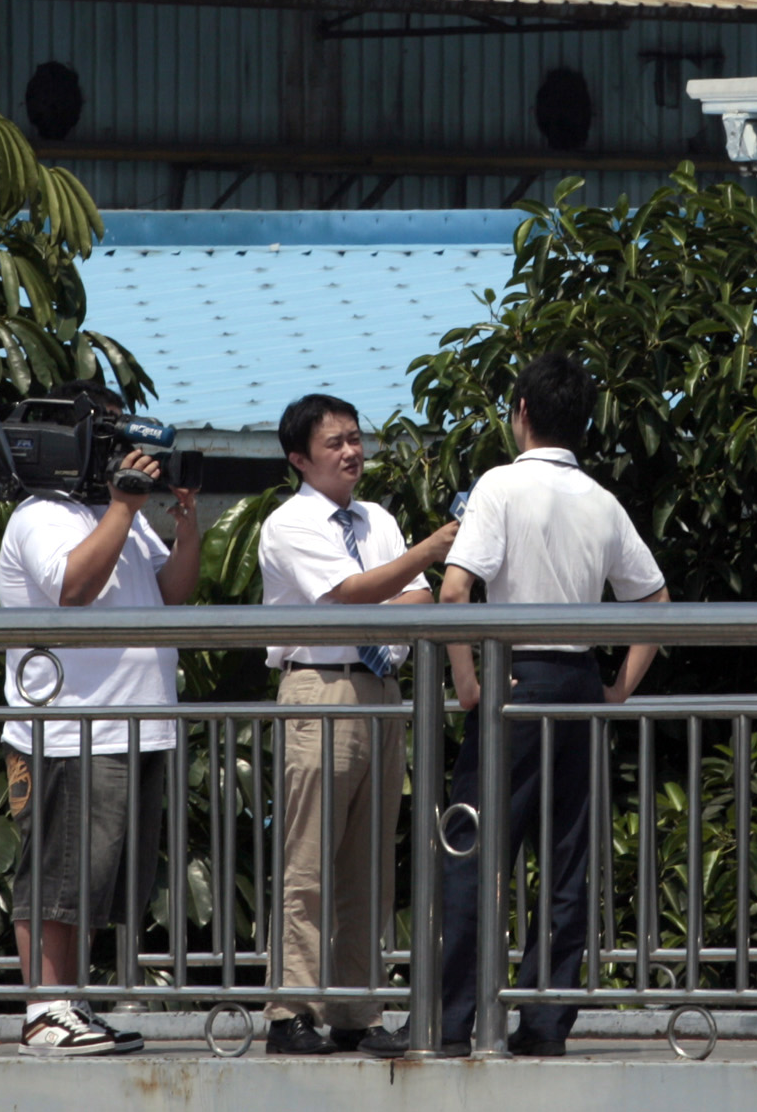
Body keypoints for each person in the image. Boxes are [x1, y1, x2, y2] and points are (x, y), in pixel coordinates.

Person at [433, 354, 668, 1057]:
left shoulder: (500, 485)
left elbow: (453, 592)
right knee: (568, 863)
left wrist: (469, 684)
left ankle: (453, 1025)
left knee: (475, 852)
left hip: (514, 681)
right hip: (578, 686)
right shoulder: (601, 498)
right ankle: (544, 1024)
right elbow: (653, 603)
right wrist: (618, 688)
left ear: (523, 412)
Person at [0, 387, 202, 1058]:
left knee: (91, 881)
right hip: (69, 729)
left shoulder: (123, 515)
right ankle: (43, 1010)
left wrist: (186, 523)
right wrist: (122, 505)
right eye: (109, 434)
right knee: (57, 873)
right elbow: (72, 589)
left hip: (133, 725)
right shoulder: (41, 515)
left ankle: (70, 1004)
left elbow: (172, 593)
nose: (122, 449)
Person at [256, 392, 458, 1058]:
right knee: (308, 863)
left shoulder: (378, 519)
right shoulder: (291, 523)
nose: (351, 452)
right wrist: (424, 554)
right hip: (320, 689)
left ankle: (355, 1011)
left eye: (355, 438)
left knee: (370, 866)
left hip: (382, 691)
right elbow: (348, 595)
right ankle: (291, 1012)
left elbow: (418, 601)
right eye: (334, 443)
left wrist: (391, 581)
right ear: (298, 458)